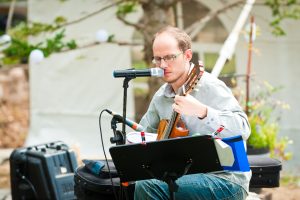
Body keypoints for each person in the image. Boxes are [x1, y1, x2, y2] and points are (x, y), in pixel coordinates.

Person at [134, 26, 251, 200]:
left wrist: (202, 111)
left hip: (227, 179)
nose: (163, 65)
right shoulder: (161, 97)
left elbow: (243, 128)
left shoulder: (210, 86)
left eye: (170, 57)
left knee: (149, 187)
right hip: (183, 176)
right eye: (158, 59)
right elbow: (143, 135)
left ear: (188, 56)